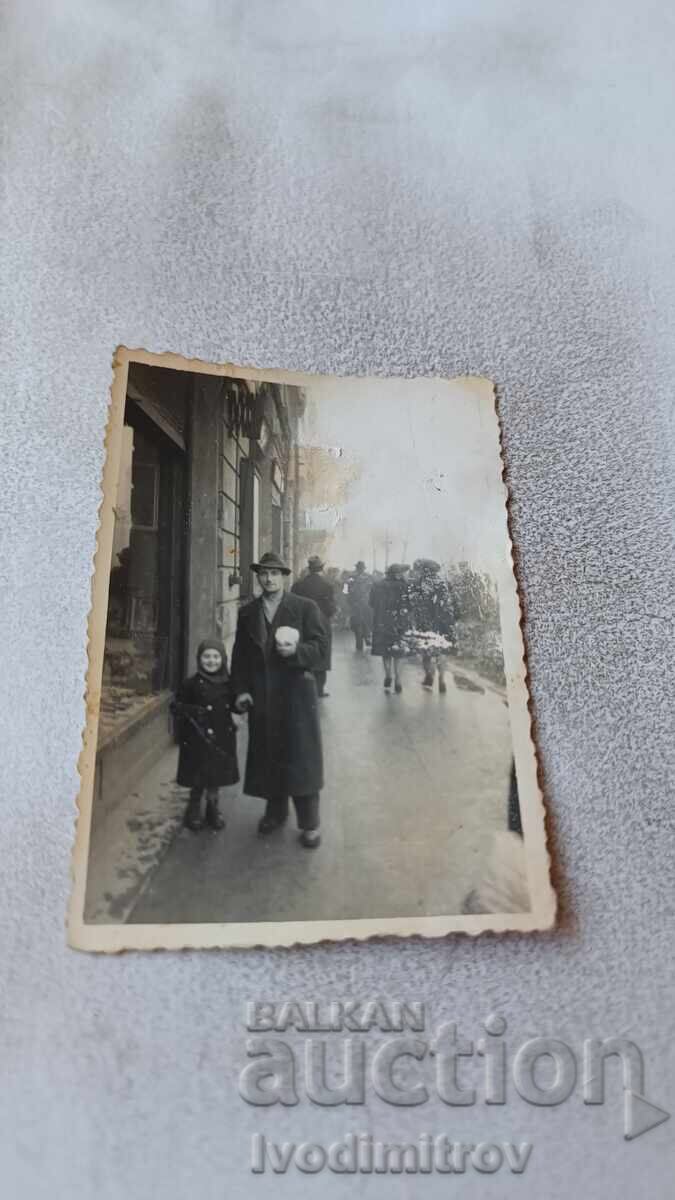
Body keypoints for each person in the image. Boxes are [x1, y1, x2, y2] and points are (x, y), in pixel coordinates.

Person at [231, 551, 327, 849]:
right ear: (258, 577)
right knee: (269, 754)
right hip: (263, 696)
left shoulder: (305, 608)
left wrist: (296, 654)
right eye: (263, 574)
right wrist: (241, 690)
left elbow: (321, 648)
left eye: (274, 573)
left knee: (302, 758)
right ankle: (275, 813)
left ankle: (310, 823)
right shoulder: (248, 613)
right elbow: (240, 657)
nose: (268, 579)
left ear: (284, 577)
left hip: (297, 695)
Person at [171, 638, 239, 832]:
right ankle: (192, 810)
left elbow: (235, 704)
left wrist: (241, 703)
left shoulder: (229, 682)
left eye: (216, 656)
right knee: (198, 776)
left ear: (223, 659)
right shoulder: (190, 683)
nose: (211, 661)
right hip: (197, 738)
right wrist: (187, 710)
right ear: (199, 659)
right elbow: (177, 706)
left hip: (222, 737)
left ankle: (212, 808)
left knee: (215, 777)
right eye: (206, 657)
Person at [409, 558, 457, 693]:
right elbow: (453, 603)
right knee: (442, 652)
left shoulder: (419, 583)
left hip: (426, 623)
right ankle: (441, 680)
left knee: (426, 653)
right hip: (444, 624)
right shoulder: (445, 583)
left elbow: (414, 604)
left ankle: (429, 676)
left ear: (425, 570)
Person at [291, 555, 336, 697]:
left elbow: (292, 605)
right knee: (322, 655)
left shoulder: (298, 585)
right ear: (321, 568)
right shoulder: (327, 585)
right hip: (322, 623)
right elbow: (330, 608)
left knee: (305, 652)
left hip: (302, 623)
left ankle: (303, 689)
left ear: (309, 568)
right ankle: (319, 690)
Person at [369, 563, 411, 693]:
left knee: (385, 651)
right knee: (399, 652)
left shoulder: (377, 585)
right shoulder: (405, 586)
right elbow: (410, 606)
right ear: (398, 574)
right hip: (399, 622)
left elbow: (371, 603)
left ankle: (388, 675)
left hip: (382, 621)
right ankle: (398, 679)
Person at [346, 560, 372, 651]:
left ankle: (366, 637)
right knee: (363, 621)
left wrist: (349, 599)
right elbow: (345, 590)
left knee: (360, 621)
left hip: (359, 603)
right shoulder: (368, 577)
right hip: (362, 603)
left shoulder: (351, 577)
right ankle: (366, 637)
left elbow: (345, 590)